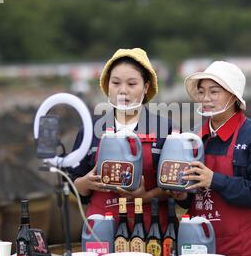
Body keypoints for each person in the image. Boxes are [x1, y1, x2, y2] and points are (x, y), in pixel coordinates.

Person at [173, 61, 251, 256]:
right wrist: (181, 194)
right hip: (198, 248)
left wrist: (214, 180)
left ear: (233, 96)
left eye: (214, 92)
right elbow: (191, 200)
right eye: (202, 92)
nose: (206, 99)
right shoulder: (194, 138)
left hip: (243, 250)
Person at [68, 48, 173, 231]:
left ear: (146, 87)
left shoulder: (166, 129)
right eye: (115, 83)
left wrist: (146, 195)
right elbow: (74, 183)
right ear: (107, 85)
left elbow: (177, 188)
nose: (122, 91)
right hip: (101, 228)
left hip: (152, 228)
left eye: (132, 84)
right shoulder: (90, 130)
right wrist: (85, 183)